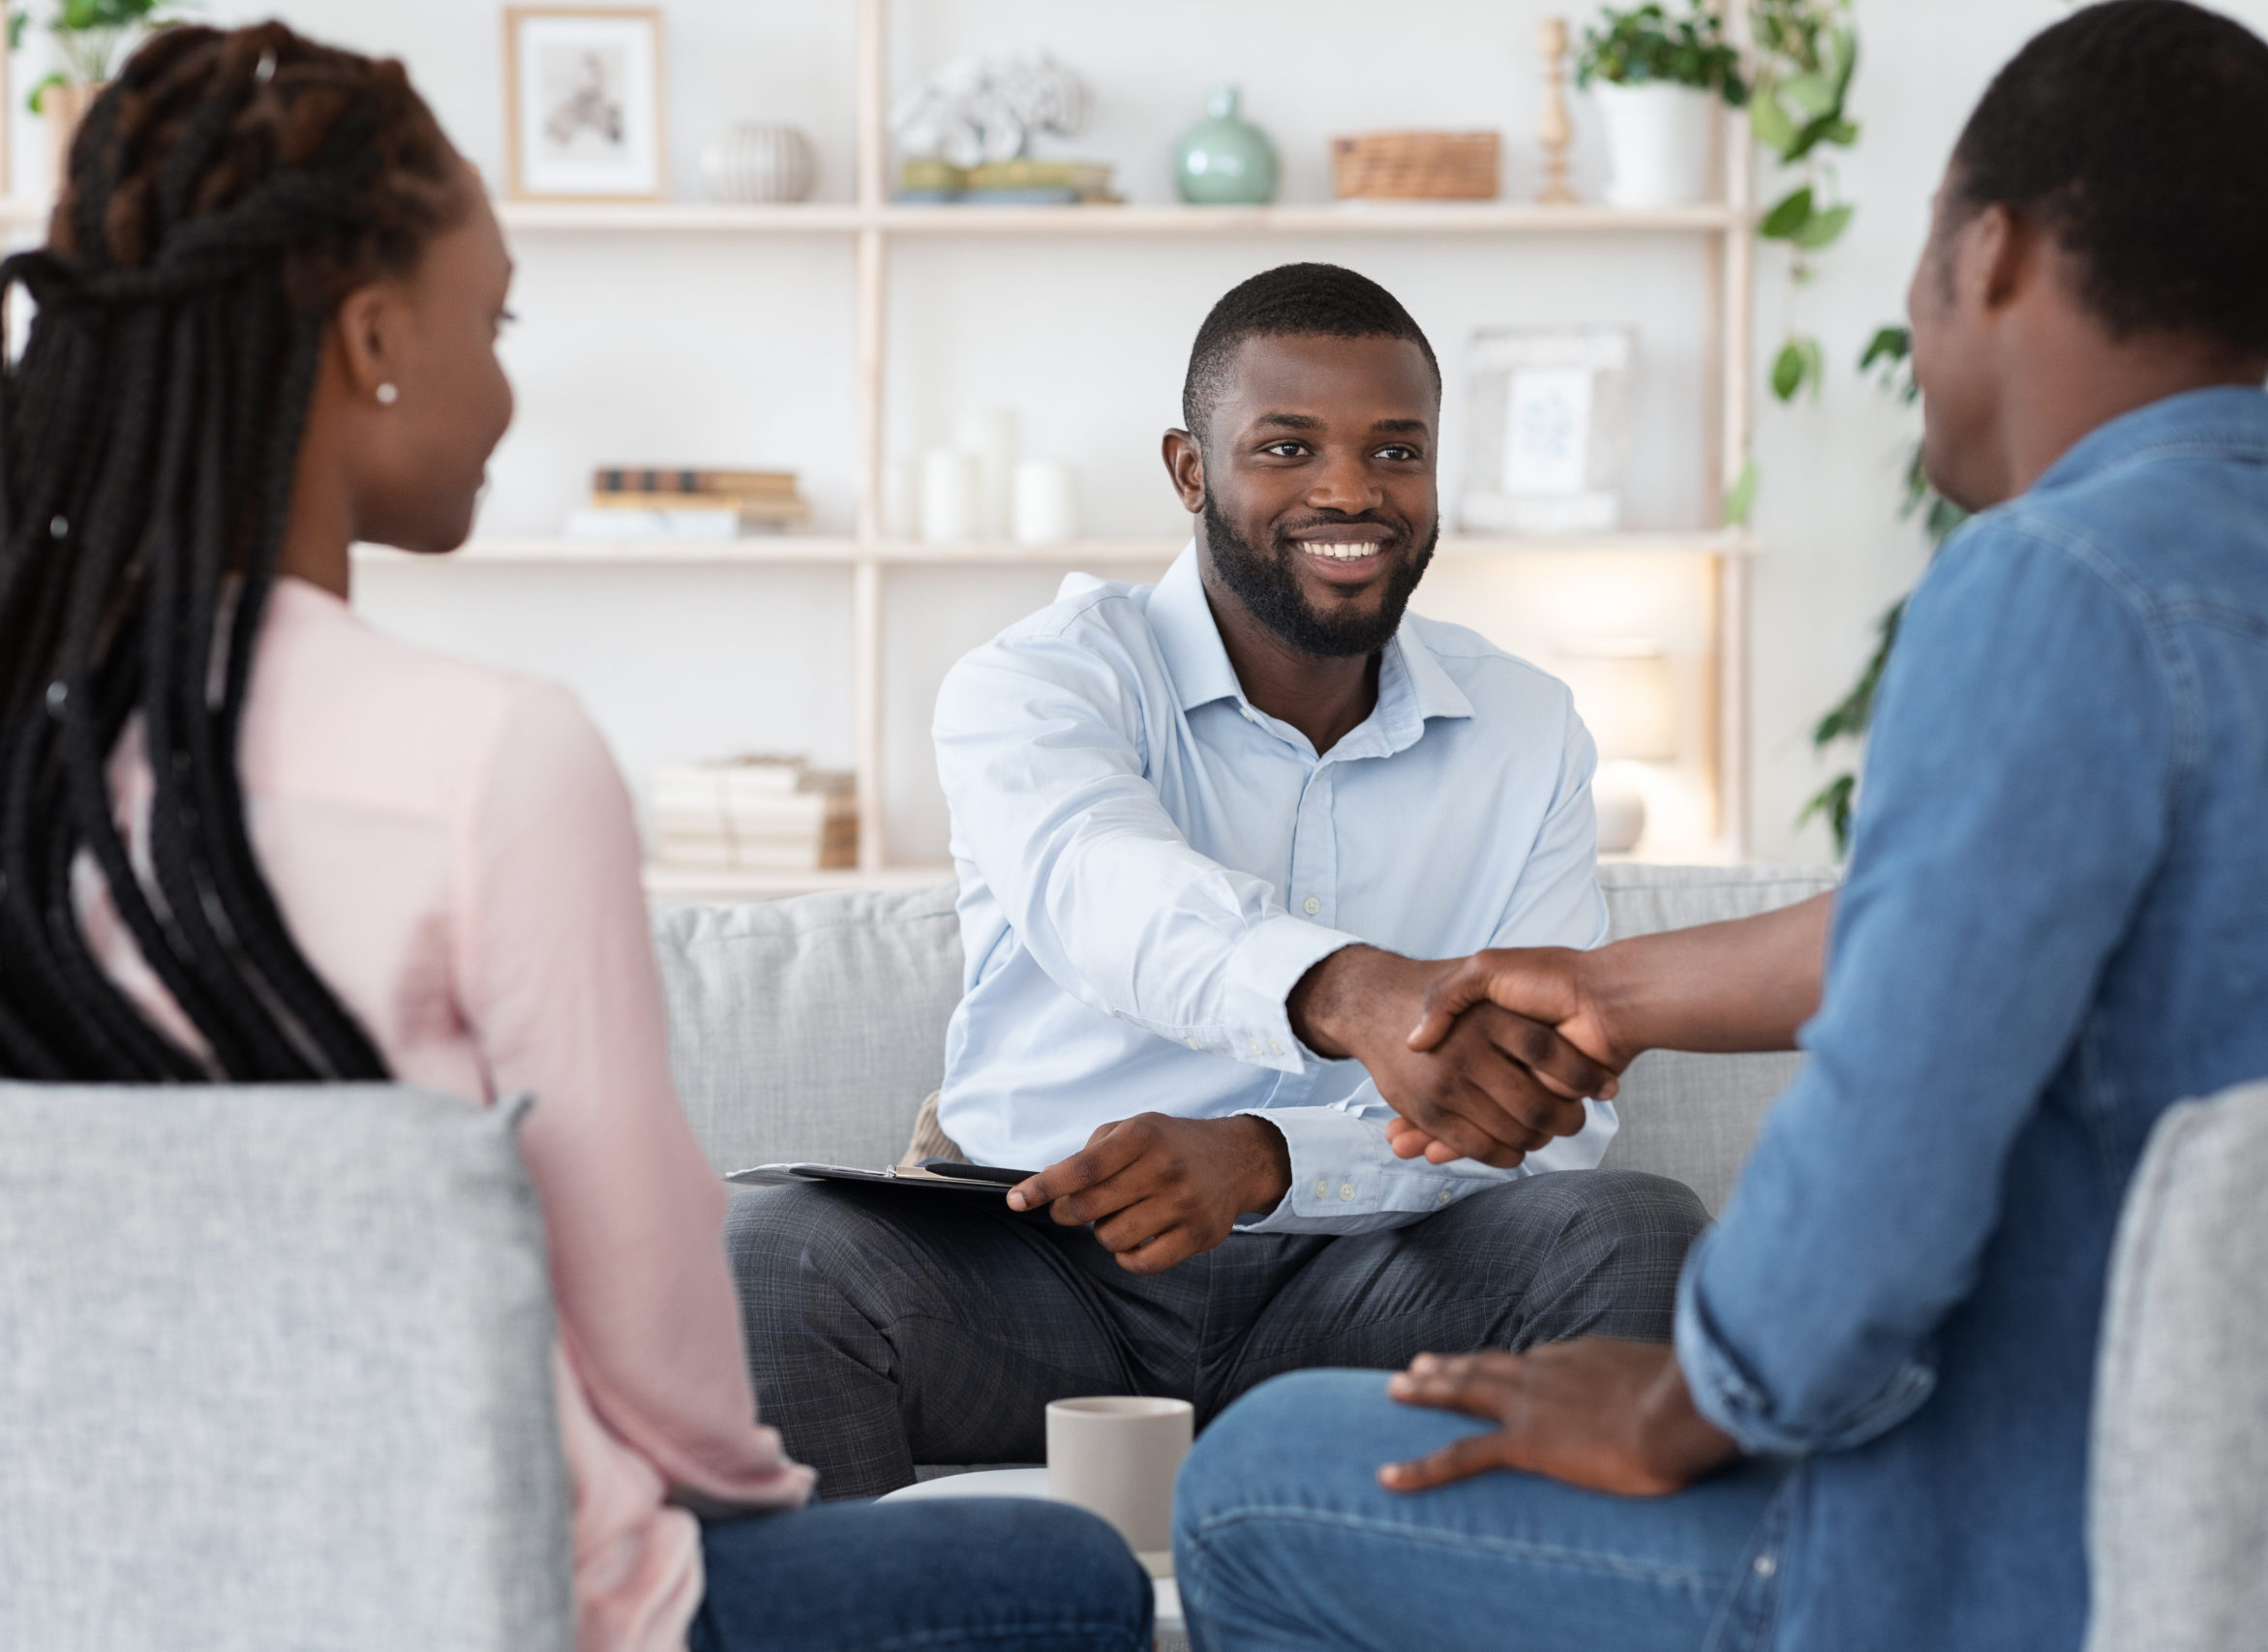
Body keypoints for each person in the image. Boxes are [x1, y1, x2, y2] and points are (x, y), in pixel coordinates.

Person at [1170, 6, 2268, 1651]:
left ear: (1985, 253)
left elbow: (1895, 1137)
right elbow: (1990, 935)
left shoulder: (2050, 584)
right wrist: (1613, 987)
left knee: (1263, 1476)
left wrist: (1692, 1400)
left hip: (1997, 1549)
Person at [0, 25, 1148, 1652]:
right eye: (499, 316)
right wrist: (741, 1503)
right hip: (511, 1598)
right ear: (375, 337)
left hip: (85, 1592)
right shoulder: (488, 755)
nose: (507, 382)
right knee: (1073, 1576)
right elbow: (662, 1342)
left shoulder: (42, 760)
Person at [728, 263, 1711, 1499]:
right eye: (1287, 447)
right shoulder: (1039, 684)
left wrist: (1268, 1158)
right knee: (768, 1257)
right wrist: (1350, 995)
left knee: (1632, 1232)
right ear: (1191, 472)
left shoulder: (1528, 729)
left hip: (1360, 1285)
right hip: (1037, 1277)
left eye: (1396, 451)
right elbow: (1107, 890)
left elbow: (1539, 1123)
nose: (1349, 490)